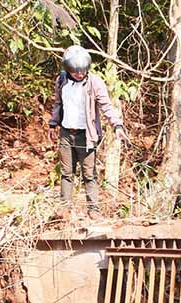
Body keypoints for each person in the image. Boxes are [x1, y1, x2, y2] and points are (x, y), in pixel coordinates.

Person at [48, 45, 129, 220]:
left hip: (86, 135)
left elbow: (106, 106)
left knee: (89, 173)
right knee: (67, 173)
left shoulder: (95, 83)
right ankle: (65, 209)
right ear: (68, 70)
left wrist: (117, 126)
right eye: (76, 71)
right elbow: (58, 104)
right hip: (66, 132)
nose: (80, 74)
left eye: (83, 70)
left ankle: (94, 210)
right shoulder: (62, 81)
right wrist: (53, 124)